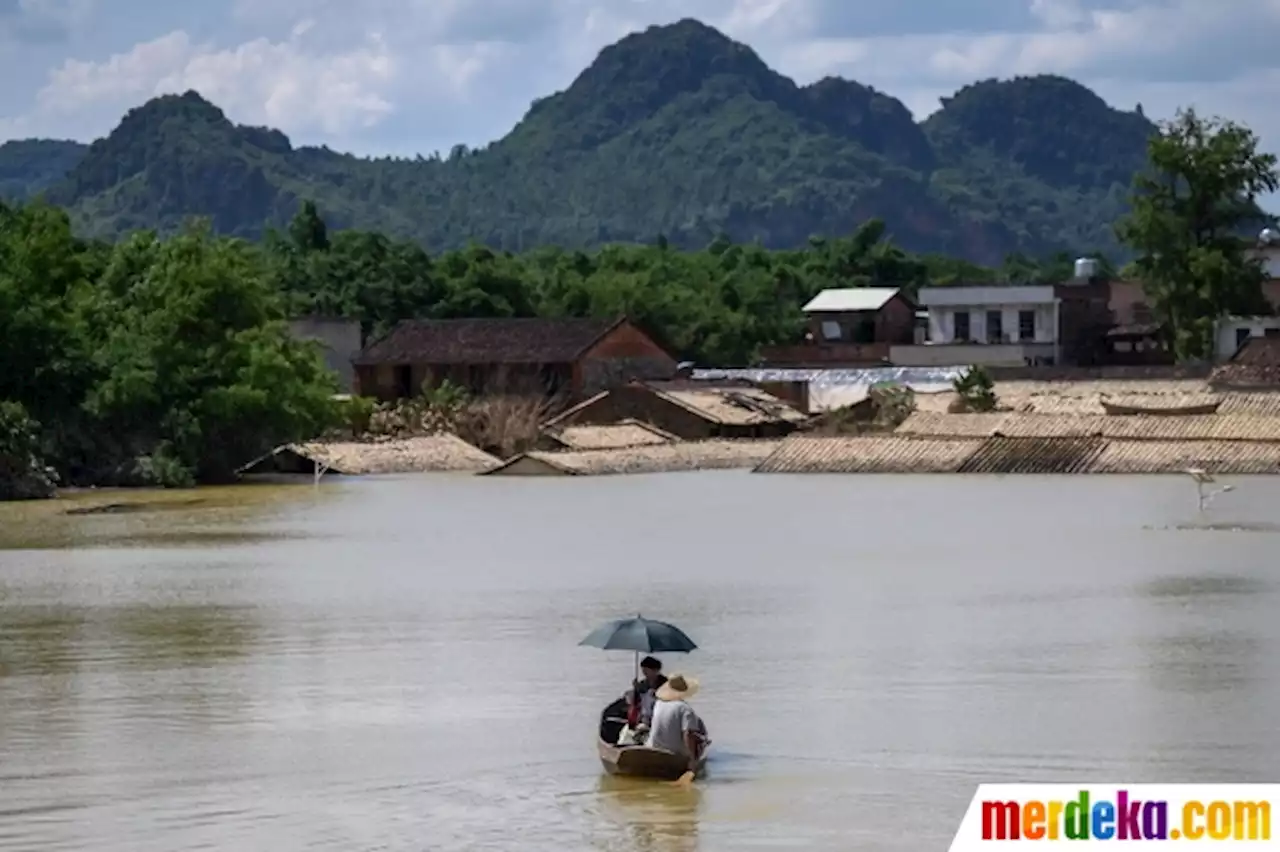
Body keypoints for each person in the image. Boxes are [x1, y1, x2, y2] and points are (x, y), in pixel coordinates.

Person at [647, 674, 708, 773]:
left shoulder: (658, 703)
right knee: (700, 740)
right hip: (674, 752)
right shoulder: (685, 709)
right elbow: (688, 735)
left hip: (653, 747)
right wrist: (692, 760)